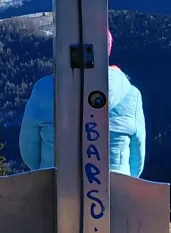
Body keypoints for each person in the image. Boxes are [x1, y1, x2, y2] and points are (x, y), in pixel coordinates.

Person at [18, 30, 146, 177]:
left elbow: (29, 150)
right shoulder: (131, 95)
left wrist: (47, 171)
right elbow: (137, 160)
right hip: (117, 192)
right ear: (107, 51)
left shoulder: (44, 90)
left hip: (56, 188)